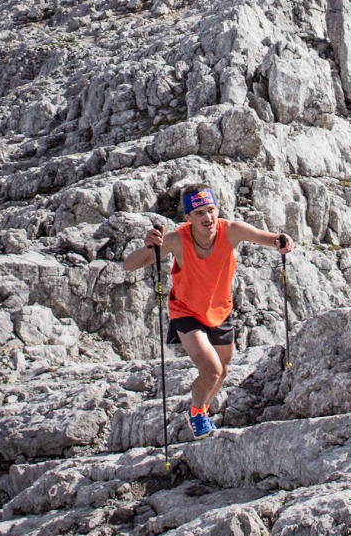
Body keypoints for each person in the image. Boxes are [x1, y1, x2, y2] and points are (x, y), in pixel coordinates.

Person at [123, 182, 293, 439]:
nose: (207, 217)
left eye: (210, 210)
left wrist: (282, 241)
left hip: (220, 312)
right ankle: (197, 414)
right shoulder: (177, 240)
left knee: (221, 371)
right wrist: (148, 247)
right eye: (199, 213)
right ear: (188, 217)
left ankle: (199, 409)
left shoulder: (232, 231)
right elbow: (129, 265)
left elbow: (266, 237)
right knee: (212, 369)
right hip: (186, 312)